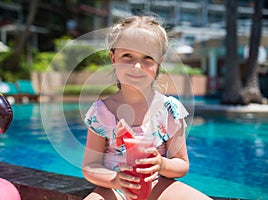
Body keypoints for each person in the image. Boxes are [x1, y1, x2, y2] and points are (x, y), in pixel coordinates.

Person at [82, 15, 212, 200]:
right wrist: (115, 180)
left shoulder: (170, 110)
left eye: (147, 58)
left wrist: (162, 164)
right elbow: (90, 166)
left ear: (160, 61)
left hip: (156, 185)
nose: (137, 66)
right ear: (113, 57)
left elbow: (182, 164)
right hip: (115, 188)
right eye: (127, 55)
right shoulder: (102, 111)